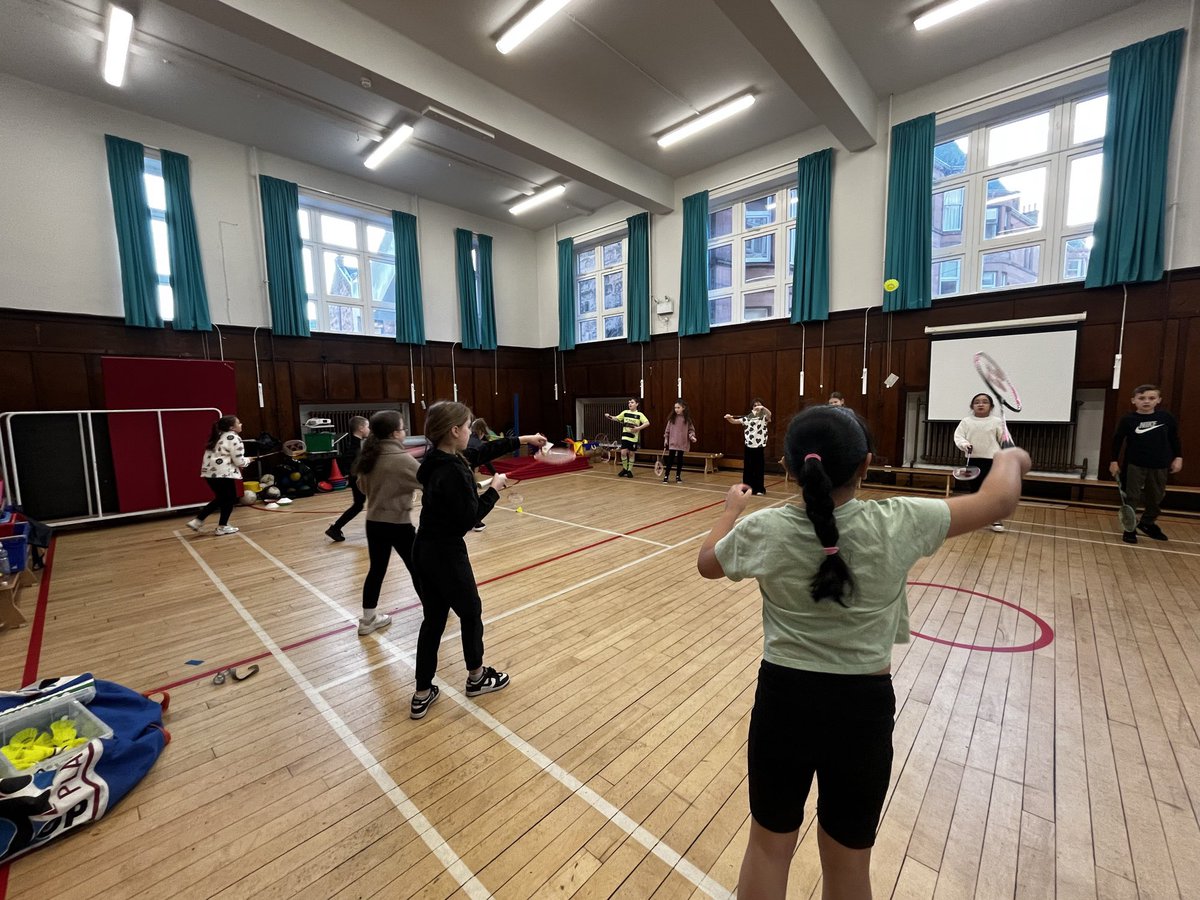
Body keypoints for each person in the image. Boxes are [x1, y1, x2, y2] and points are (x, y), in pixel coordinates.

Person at [697, 405, 1030, 900]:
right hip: (862, 710)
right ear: (866, 464)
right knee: (849, 861)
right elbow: (1000, 500)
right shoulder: (899, 521)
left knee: (768, 846)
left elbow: (707, 564)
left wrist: (729, 511)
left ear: (788, 468)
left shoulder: (763, 529)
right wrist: (1010, 456)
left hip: (784, 701)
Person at [409, 401, 547, 720]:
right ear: (455, 430)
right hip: (446, 553)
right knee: (471, 613)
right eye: (468, 427)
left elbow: (482, 452)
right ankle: (477, 678)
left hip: (423, 549)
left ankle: (422, 692)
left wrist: (525, 439)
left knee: (433, 621)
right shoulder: (454, 471)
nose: (472, 432)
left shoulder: (438, 458)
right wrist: (495, 489)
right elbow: (469, 519)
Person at [354, 410, 421, 636]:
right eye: (403, 428)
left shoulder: (369, 456)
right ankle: (434, 609)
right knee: (417, 567)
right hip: (399, 524)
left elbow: (362, 488)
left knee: (377, 570)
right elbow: (428, 483)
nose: (404, 432)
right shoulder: (403, 459)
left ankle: (368, 619)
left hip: (374, 523)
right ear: (395, 433)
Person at [1109, 383, 1183, 543]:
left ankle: (1147, 523)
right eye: (1141, 398)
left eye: (1151, 398)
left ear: (1158, 400)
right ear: (1134, 400)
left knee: (1156, 497)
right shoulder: (1128, 420)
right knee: (1132, 497)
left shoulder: (1166, 418)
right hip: (1135, 464)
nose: (1146, 401)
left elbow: (1174, 439)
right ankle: (1129, 528)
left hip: (1159, 464)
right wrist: (1114, 461)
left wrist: (1178, 457)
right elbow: (1117, 441)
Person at [953, 393, 1007, 532]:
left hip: (992, 460)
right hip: (973, 460)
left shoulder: (997, 422)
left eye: (984, 402)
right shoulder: (966, 421)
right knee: (975, 490)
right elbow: (958, 437)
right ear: (972, 406)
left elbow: (1004, 440)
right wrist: (965, 444)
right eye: (977, 402)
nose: (981, 404)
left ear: (991, 406)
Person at [187, 414, 249, 535]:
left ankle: (198, 521)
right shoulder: (234, 438)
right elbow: (239, 462)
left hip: (209, 474)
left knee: (222, 498)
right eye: (239, 423)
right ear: (232, 427)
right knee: (229, 499)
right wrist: (247, 461)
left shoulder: (217, 436)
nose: (241, 424)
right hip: (223, 473)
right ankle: (222, 526)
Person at [326, 415, 370, 542]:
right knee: (359, 505)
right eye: (367, 427)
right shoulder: (354, 446)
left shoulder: (355, 443)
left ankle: (335, 528)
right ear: (361, 428)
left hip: (356, 479)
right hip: (358, 479)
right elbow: (350, 462)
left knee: (358, 505)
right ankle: (335, 528)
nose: (369, 429)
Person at [725, 399, 772, 495]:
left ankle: (759, 489)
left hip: (759, 446)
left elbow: (769, 414)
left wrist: (763, 408)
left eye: (759, 405)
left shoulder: (764, 417)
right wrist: (729, 417)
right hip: (749, 445)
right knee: (748, 468)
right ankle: (746, 489)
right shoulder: (747, 418)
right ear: (752, 408)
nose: (757, 407)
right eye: (755, 405)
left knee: (758, 468)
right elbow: (734, 421)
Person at [605, 398, 649, 478]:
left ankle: (629, 470)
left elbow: (647, 423)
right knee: (623, 452)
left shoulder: (640, 414)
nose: (630, 404)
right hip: (625, 436)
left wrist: (638, 428)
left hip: (633, 438)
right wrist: (609, 416)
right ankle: (625, 469)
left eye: (632, 402)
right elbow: (617, 418)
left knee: (631, 454)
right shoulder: (625, 412)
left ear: (637, 404)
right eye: (629, 403)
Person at [468, 418, 499, 532]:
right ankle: (477, 522)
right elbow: (487, 460)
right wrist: (495, 474)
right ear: (481, 431)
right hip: (466, 473)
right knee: (473, 497)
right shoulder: (477, 443)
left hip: (461, 472)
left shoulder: (466, 440)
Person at [662, 400, 697, 483]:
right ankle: (666, 475)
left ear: (683, 408)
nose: (676, 409)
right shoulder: (672, 419)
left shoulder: (687, 419)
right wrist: (666, 439)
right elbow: (667, 430)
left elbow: (691, 430)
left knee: (680, 460)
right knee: (670, 459)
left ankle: (678, 476)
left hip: (682, 442)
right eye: (675, 408)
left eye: (678, 407)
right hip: (673, 442)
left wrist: (692, 437)